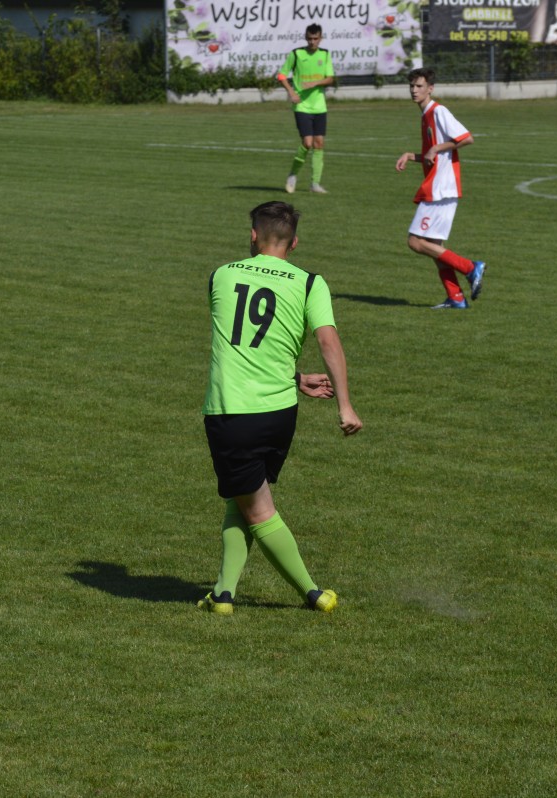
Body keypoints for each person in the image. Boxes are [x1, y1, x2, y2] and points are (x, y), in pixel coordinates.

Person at [198, 201, 362, 616]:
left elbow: (240, 345)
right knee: (243, 496)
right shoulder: (310, 283)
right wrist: (342, 404)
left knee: (258, 510)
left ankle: (312, 593)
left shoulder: (222, 275)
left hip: (232, 412)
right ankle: (223, 594)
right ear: (294, 243)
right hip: (279, 415)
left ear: (254, 236)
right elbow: (327, 341)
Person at [395, 67, 486, 310]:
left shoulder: (438, 111)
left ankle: (470, 267)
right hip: (439, 187)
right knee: (434, 246)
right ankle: (455, 297)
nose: (414, 90)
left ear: (430, 89)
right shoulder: (425, 115)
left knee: (415, 242)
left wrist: (436, 148)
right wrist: (411, 155)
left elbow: (466, 138)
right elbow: (430, 156)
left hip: (440, 188)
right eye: (412, 86)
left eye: (419, 86)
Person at [276, 24, 335, 195]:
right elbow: (281, 75)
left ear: (320, 38)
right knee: (307, 143)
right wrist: (291, 92)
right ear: (305, 37)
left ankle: (315, 184)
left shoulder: (325, 54)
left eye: (315, 39)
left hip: (319, 106)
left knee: (319, 143)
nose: (312, 42)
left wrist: (315, 83)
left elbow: (330, 78)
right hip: (301, 105)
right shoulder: (296, 54)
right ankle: (293, 175)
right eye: (309, 38)